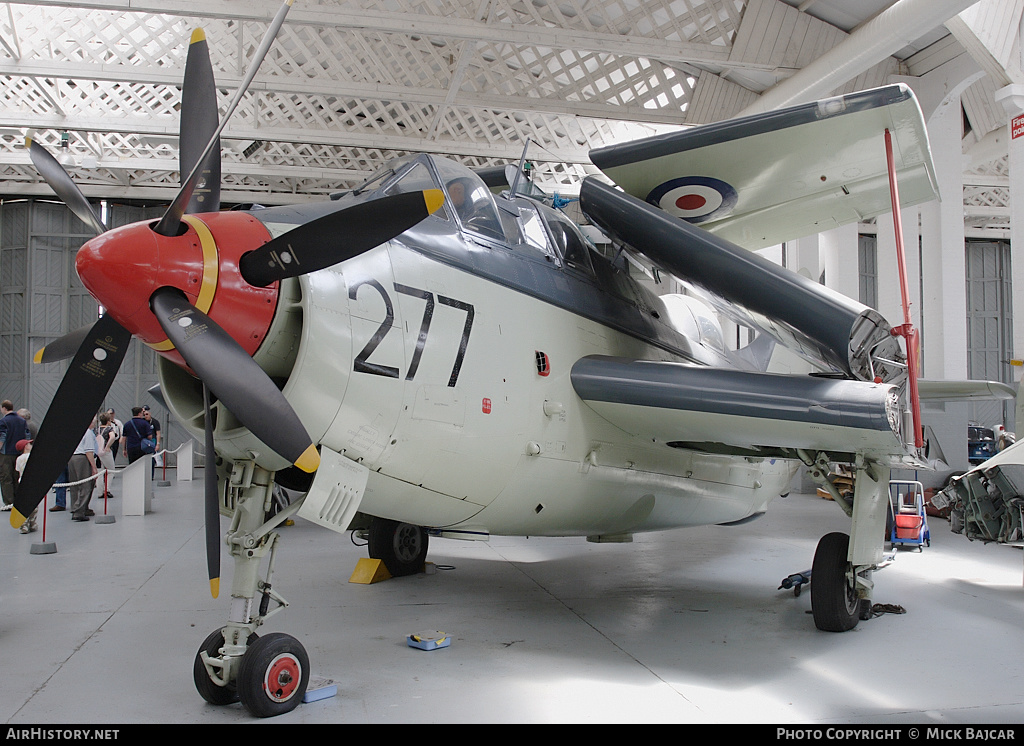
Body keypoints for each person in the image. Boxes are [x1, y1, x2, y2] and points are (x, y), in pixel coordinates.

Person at [68, 418, 98, 522]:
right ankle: (79, 511)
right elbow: (89, 451)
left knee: (74, 486)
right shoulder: (88, 433)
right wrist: (94, 467)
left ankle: (76, 507)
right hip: (82, 458)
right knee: (85, 485)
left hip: (72, 458)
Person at [0, 400, 28, 511]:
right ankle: (18, 501)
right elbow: (27, 435)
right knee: (17, 476)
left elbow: (2, 437)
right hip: (19, 453)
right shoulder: (22, 421)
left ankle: (9, 502)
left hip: (6, 454)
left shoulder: (3, 421)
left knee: (6, 478)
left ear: (4, 408)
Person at [15, 439, 37, 533]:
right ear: (26, 447)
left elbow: (18, 470)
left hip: (22, 483)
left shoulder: (19, 459)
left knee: (24, 504)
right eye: (29, 444)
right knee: (34, 505)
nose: (31, 445)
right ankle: (32, 523)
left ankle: (24, 525)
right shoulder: (33, 457)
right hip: (32, 483)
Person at [95, 413, 117, 499]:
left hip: (98, 452)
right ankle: (107, 490)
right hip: (106, 452)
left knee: (100, 472)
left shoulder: (96, 429)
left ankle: (100, 492)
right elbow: (112, 437)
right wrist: (107, 446)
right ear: (108, 421)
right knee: (111, 471)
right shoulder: (109, 429)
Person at [142, 405, 162, 479]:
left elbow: (158, 434)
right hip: (144, 441)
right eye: (144, 413)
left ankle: (151, 475)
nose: (145, 415)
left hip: (152, 441)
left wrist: (158, 444)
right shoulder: (142, 422)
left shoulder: (155, 422)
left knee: (151, 459)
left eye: (147, 414)